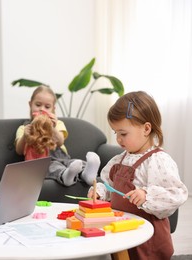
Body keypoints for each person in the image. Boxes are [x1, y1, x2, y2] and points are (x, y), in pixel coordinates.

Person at [88, 91, 188, 259]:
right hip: (122, 230)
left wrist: (146, 195)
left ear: (146, 129)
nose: (119, 139)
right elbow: (107, 184)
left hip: (148, 239)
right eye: (116, 133)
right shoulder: (120, 159)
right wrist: (99, 192)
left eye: (123, 133)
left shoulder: (158, 161)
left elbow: (177, 194)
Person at [15, 85, 101, 186]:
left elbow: (60, 142)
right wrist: (25, 136)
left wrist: (52, 128)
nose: (42, 109)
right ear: (30, 104)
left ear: (53, 109)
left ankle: (87, 174)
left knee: (76, 163)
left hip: (63, 159)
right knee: (53, 167)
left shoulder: (58, 124)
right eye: (38, 105)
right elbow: (19, 150)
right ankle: (66, 176)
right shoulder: (24, 127)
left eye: (47, 107)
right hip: (41, 164)